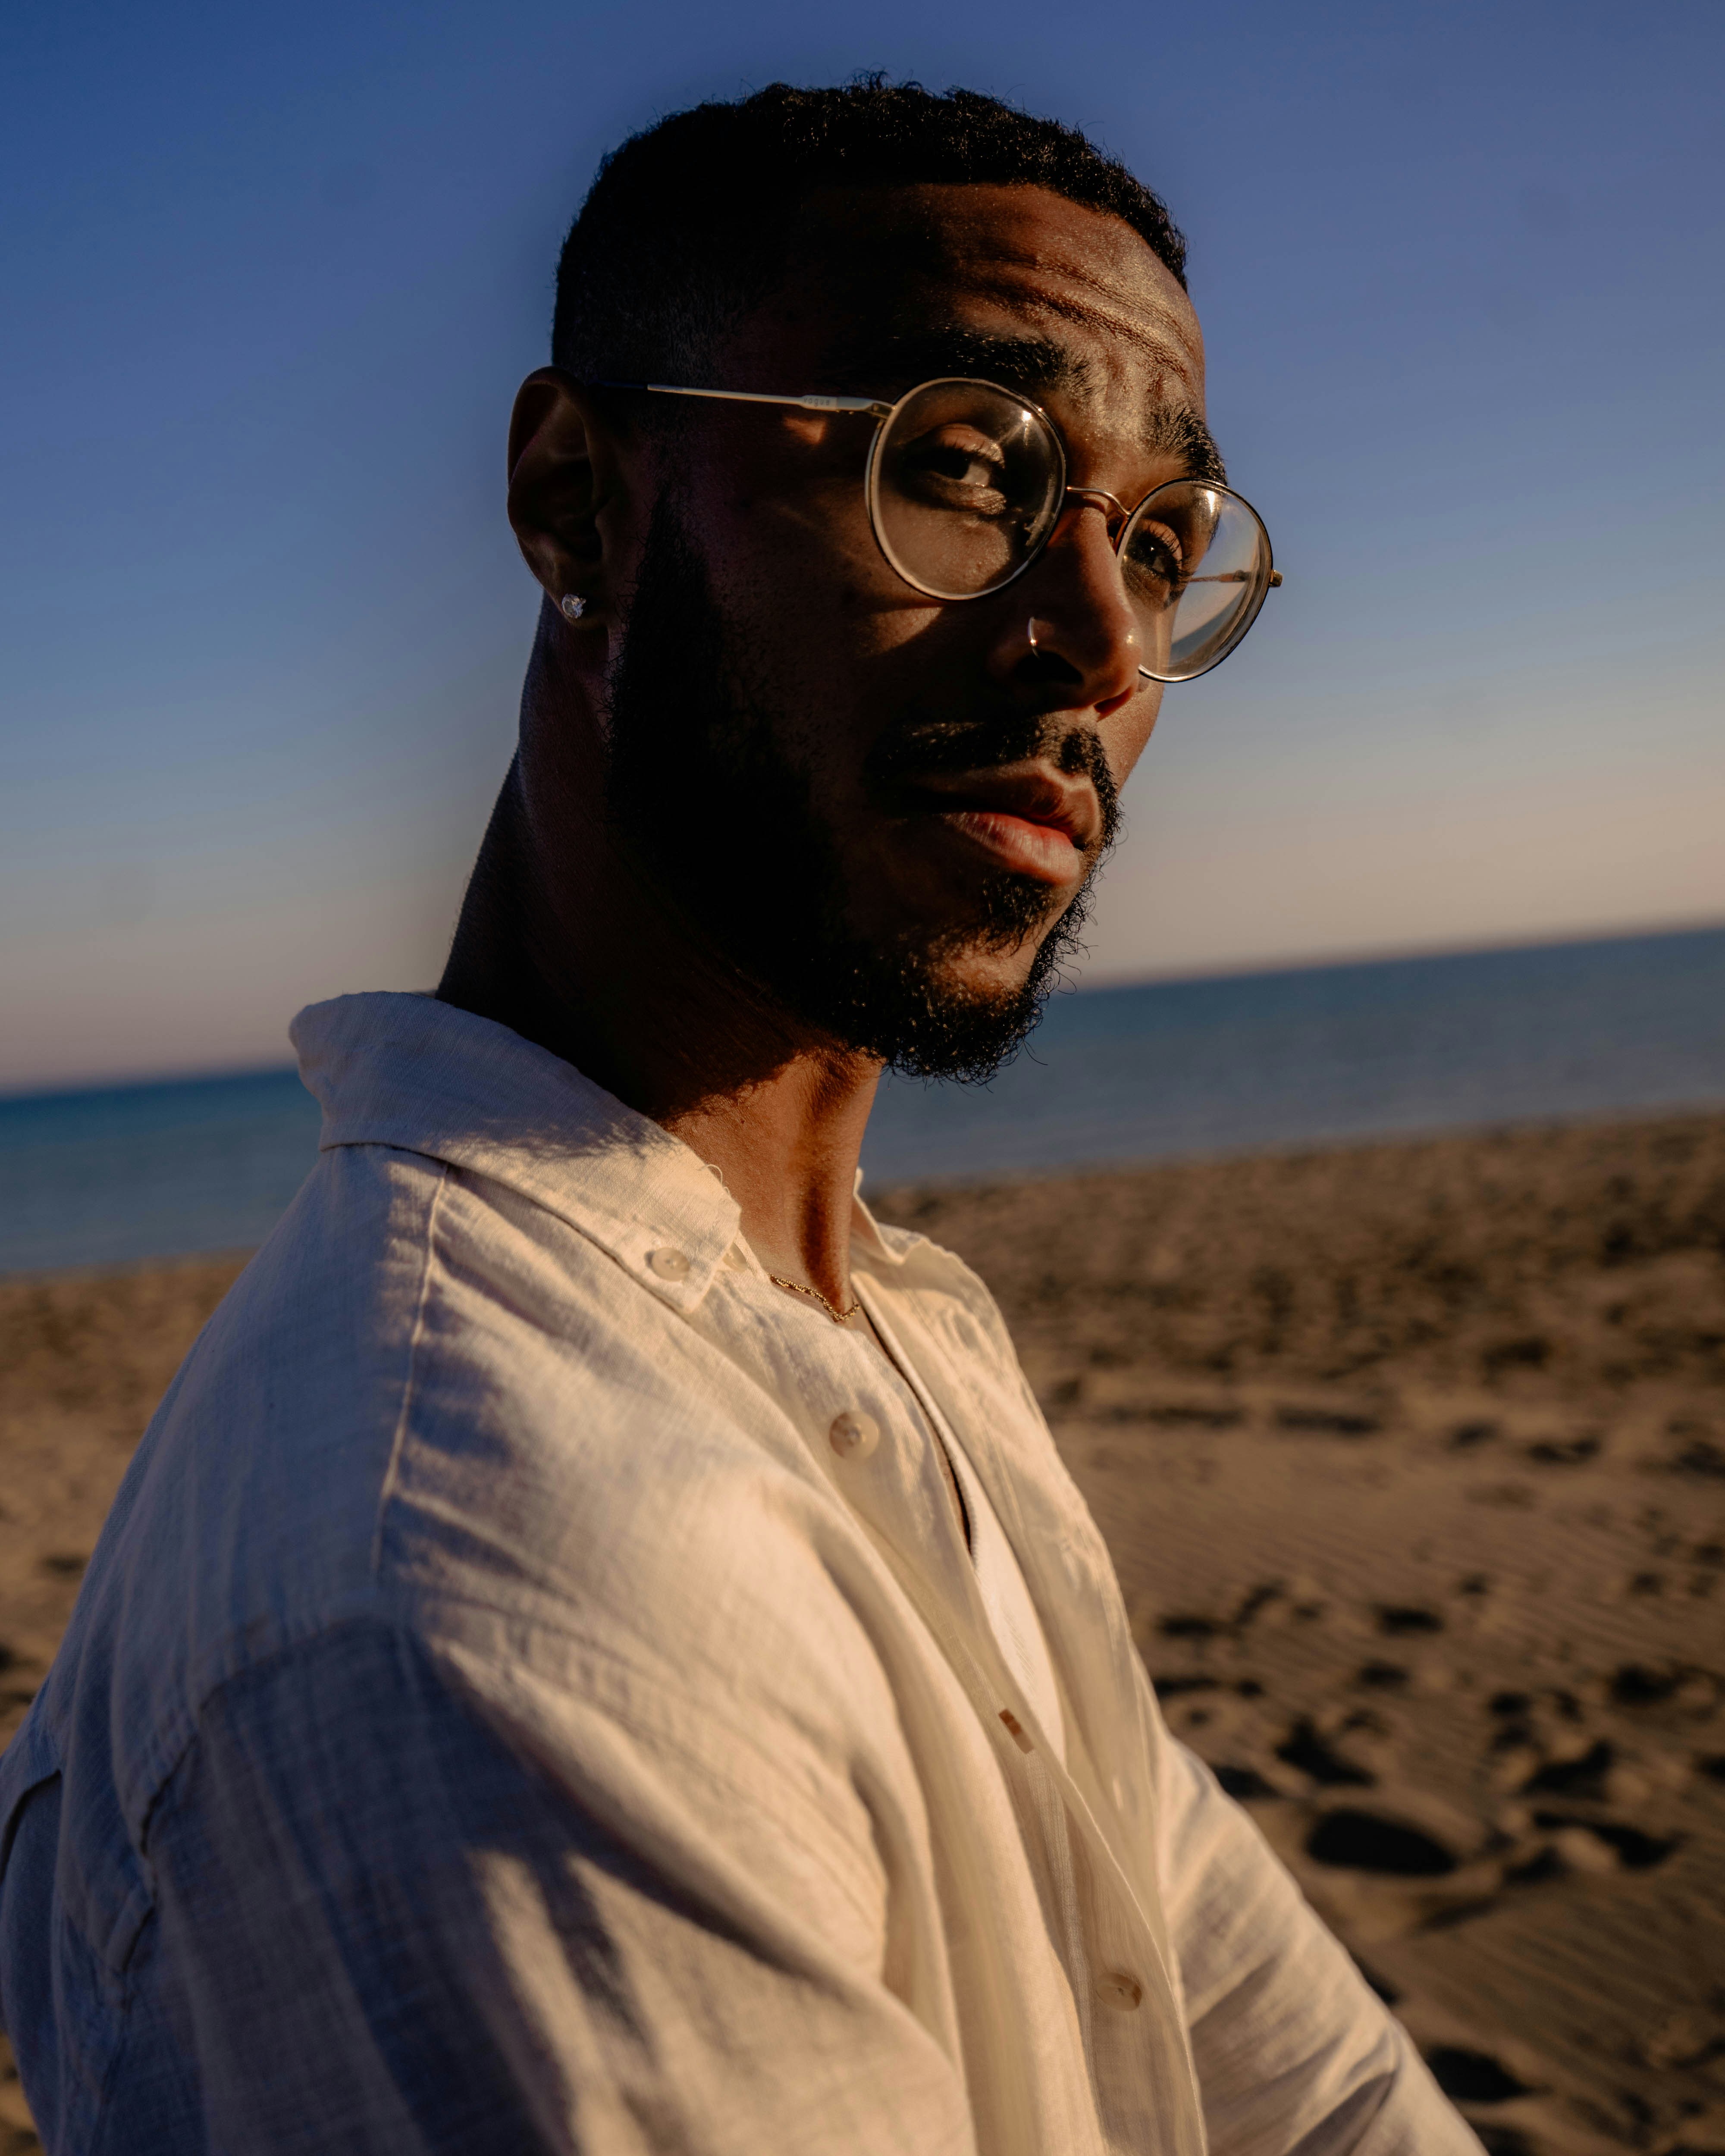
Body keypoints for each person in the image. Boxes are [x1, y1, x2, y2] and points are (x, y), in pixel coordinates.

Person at [0, 80, 1478, 2155]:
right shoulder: (472, 1588)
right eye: (964, 467)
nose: (1101, 639)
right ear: (576, 500)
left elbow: (1285, 2067)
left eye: (1157, 539)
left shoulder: (865, 1322)